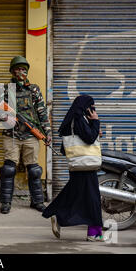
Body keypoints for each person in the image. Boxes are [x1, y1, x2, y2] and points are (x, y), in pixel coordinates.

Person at [0, 56, 52, 214]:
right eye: (17, 69)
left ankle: (37, 201)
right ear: (12, 71)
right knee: (8, 170)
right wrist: (5, 117)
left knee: (34, 170)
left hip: (31, 136)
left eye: (23, 69)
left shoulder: (34, 89)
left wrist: (48, 133)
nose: (20, 72)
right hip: (10, 136)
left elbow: (42, 113)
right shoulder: (4, 90)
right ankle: (6, 203)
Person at [42, 94, 104, 242]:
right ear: (85, 107)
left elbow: (65, 149)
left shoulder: (72, 120)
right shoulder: (79, 119)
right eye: (91, 106)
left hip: (78, 165)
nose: (93, 110)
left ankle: (58, 216)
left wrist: (93, 129)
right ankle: (94, 233)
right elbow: (89, 139)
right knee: (92, 199)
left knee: (74, 195)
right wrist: (95, 123)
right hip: (86, 167)